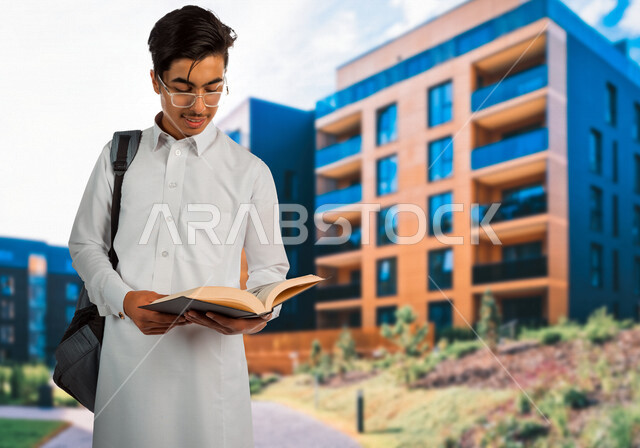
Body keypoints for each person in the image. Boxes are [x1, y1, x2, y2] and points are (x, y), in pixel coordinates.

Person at [68, 5, 289, 447]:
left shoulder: (250, 172)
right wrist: (125, 299)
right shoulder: (119, 155)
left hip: (212, 378)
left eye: (213, 88)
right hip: (126, 367)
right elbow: (85, 243)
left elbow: (270, 271)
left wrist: (257, 315)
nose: (199, 106)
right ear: (156, 81)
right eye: (183, 89)